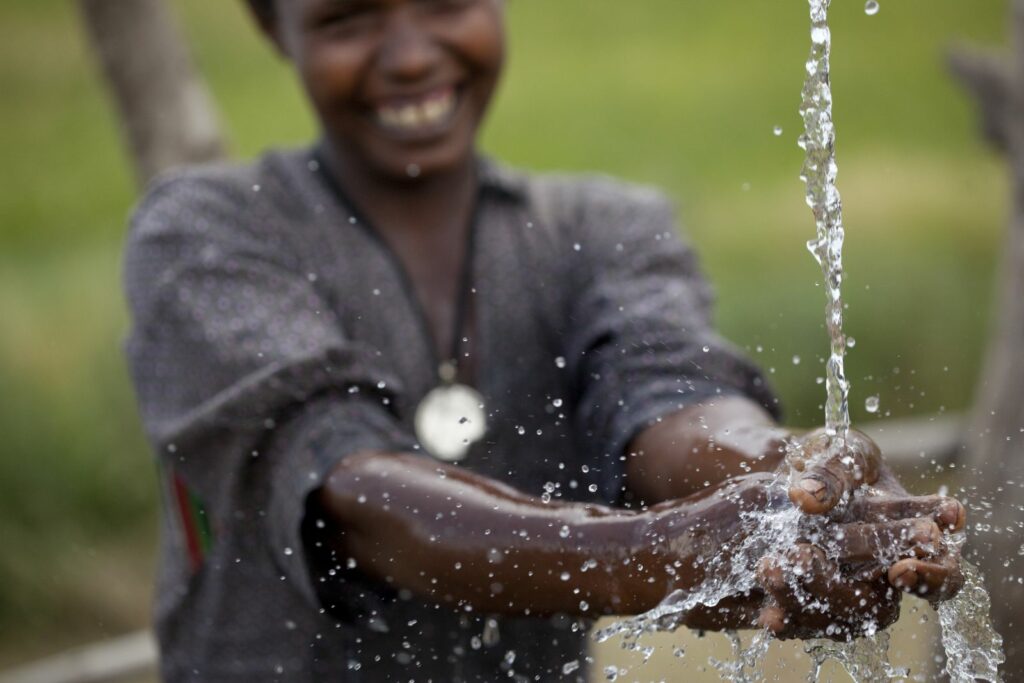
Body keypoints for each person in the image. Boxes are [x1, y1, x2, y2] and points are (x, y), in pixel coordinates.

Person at [122, 0, 966, 680]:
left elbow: (668, 399)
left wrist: (790, 484)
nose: (412, 54)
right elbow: (347, 494)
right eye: (349, 18)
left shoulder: (603, 227)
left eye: (446, 2)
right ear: (273, 24)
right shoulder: (203, 233)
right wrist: (669, 555)